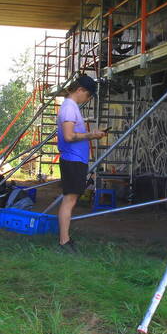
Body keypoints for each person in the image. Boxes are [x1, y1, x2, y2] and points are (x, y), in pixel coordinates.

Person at [55, 74, 106, 252]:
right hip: (72, 159)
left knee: (71, 199)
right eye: (89, 95)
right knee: (69, 200)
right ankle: (64, 241)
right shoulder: (69, 108)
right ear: (80, 90)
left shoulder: (71, 107)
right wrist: (91, 135)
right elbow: (69, 136)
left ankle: (65, 239)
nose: (88, 98)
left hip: (75, 159)